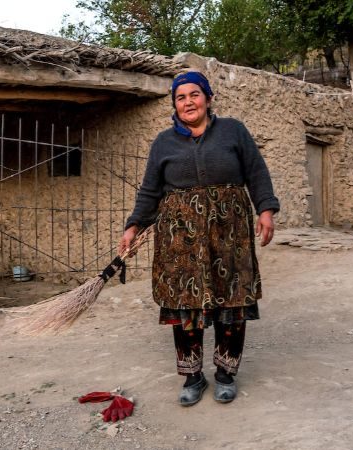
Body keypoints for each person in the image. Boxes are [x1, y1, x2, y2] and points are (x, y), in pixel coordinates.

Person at [119, 71, 279, 406]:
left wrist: (266, 210)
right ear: (175, 104)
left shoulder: (233, 131)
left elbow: (256, 172)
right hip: (181, 241)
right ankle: (193, 377)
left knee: (232, 303)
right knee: (185, 305)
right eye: (181, 97)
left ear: (208, 98)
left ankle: (225, 374)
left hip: (230, 234)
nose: (188, 102)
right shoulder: (163, 142)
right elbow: (150, 190)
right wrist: (133, 226)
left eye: (194, 95)